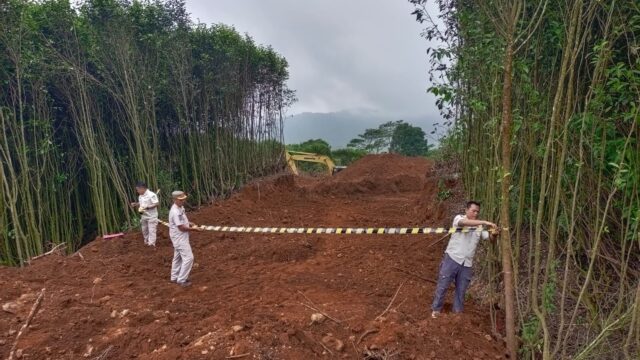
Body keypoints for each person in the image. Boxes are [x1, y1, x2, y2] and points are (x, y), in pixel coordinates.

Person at [431, 200, 497, 318]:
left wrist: (494, 234)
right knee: (443, 285)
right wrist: (484, 221)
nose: (475, 213)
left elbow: (490, 239)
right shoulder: (458, 218)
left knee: (461, 291)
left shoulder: (480, 227)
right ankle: (436, 310)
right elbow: (463, 223)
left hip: (467, 263)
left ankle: (457, 315)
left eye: (477, 212)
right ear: (466, 210)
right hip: (452, 258)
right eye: (473, 211)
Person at [168, 191, 202, 287]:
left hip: (180, 237)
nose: (183, 201)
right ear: (174, 200)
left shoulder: (180, 207)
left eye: (183, 199)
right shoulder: (174, 211)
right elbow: (181, 228)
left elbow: (183, 220)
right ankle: (182, 280)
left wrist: (190, 223)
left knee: (177, 257)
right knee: (189, 258)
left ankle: (174, 277)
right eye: (180, 200)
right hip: (179, 237)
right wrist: (194, 229)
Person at [130, 182, 159, 247]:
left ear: (142, 188)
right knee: (144, 229)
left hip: (152, 216)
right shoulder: (140, 196)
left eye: (137, 189)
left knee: (152, 230)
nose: (137, 191)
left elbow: (156, 204)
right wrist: (136, 204)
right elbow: (142, 203)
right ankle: (146, 242)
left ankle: (151, 244)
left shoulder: (151, 194)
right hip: (143, 215)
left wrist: (148, 207)